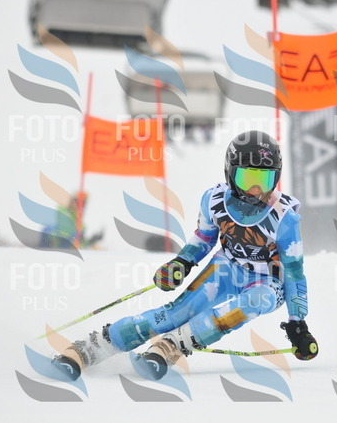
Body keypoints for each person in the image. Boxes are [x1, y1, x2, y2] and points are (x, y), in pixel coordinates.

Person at [53, 131, 318, 380]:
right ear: (230, 173)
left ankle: (173, 345)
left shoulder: (285, 217)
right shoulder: (214, 200)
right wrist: (181, 262)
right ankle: (90, 349)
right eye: (247, 179)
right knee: (176, 314)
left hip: (269, 280)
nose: (255, 190)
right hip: (227, 267)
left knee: (253, 301)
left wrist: (298, 324)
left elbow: (294, 272)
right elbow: (204, 238)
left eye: (265, 180)